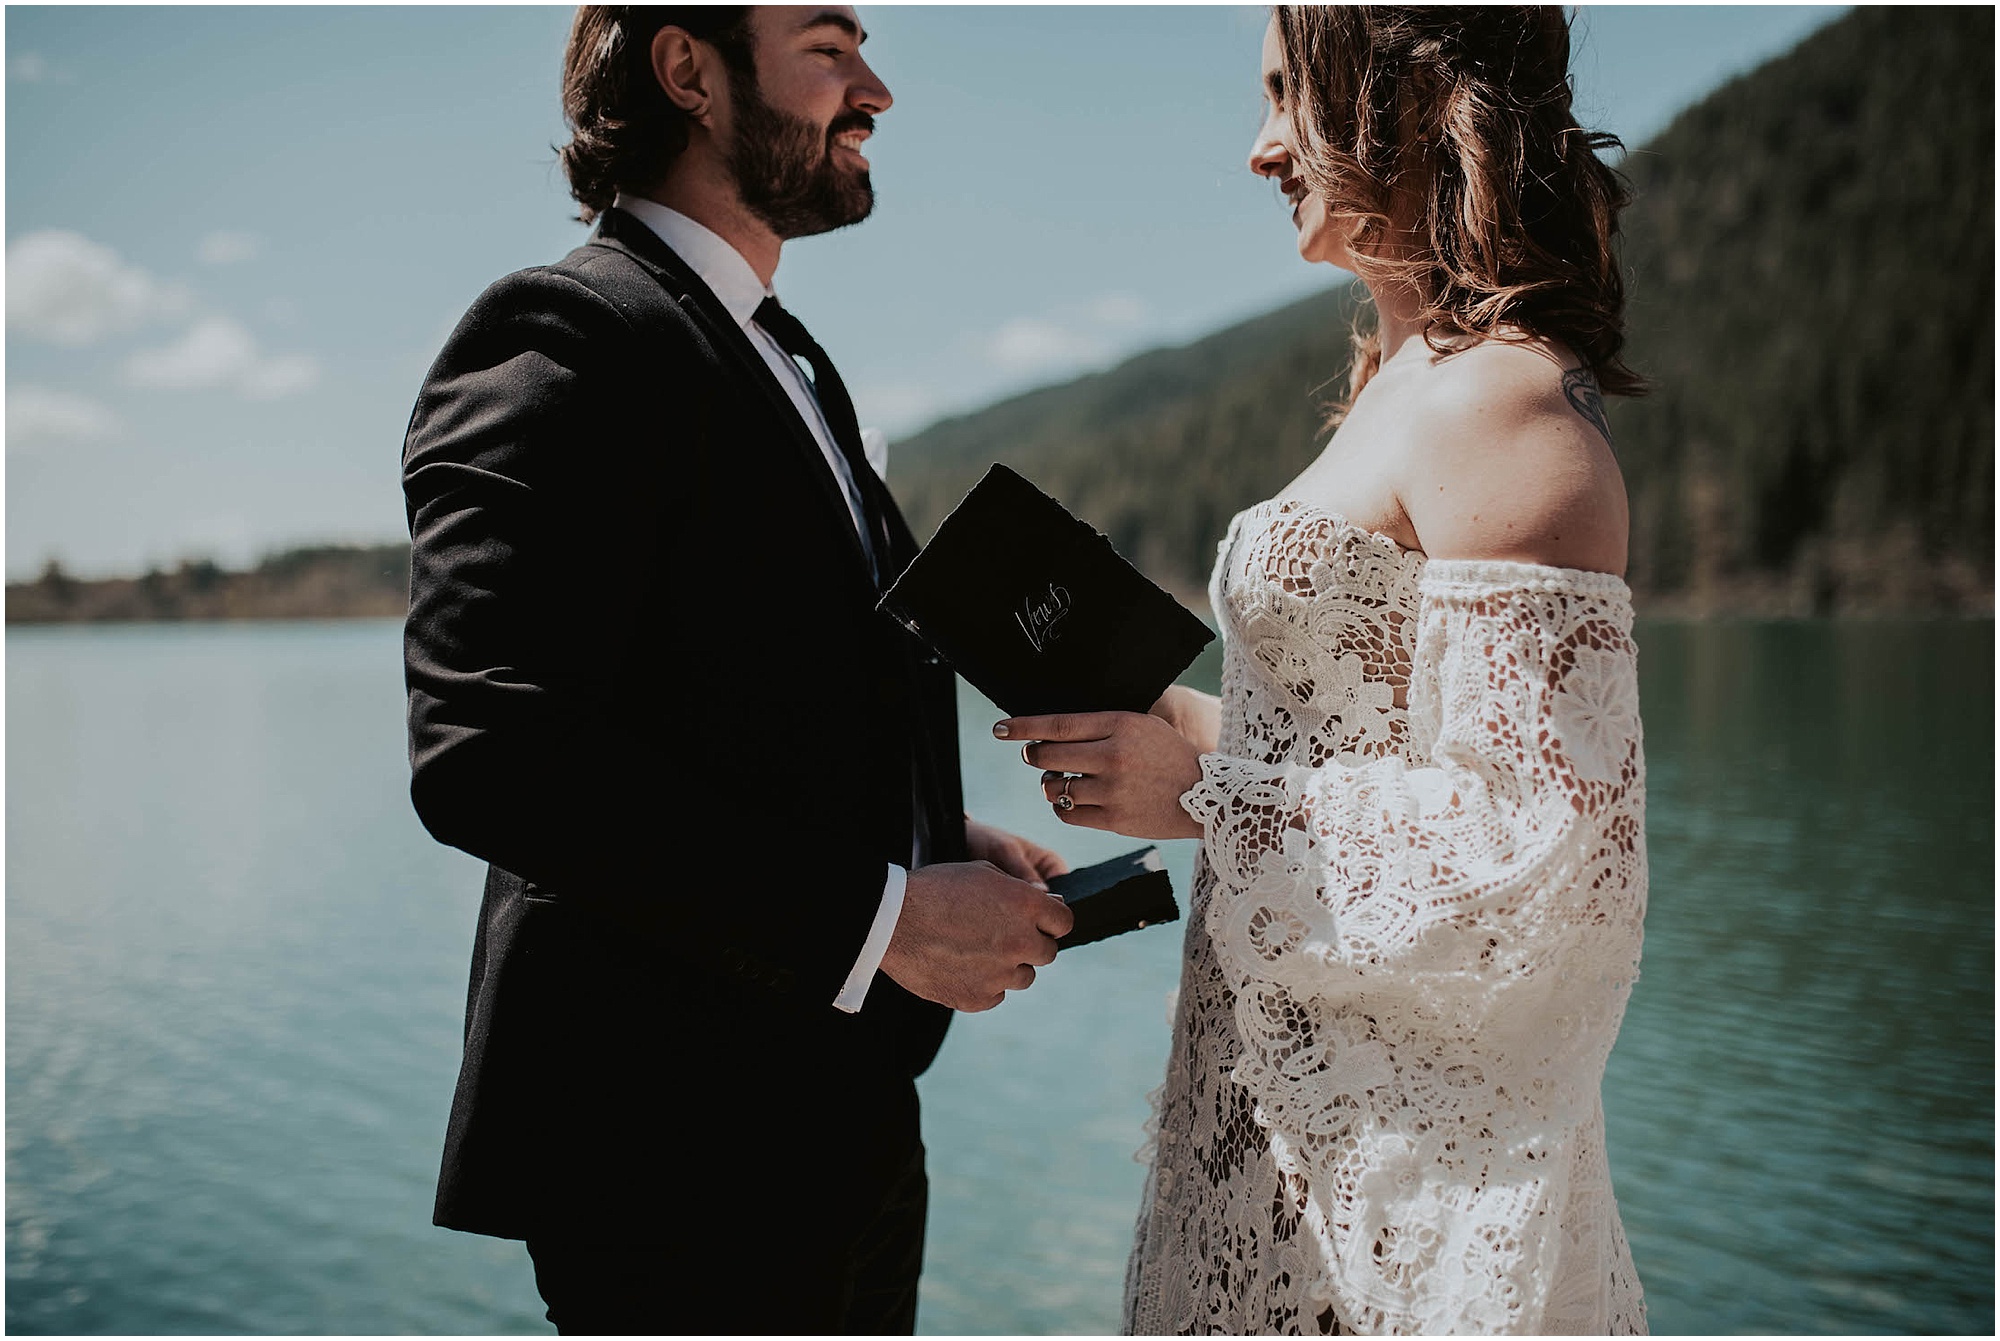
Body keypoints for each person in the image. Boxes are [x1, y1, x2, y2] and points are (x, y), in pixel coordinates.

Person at [400, 6, 1074, 1333]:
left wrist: (932, 838)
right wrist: (889, 915)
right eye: (828, 47)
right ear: (690, 71)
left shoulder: (784, 355)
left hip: (852, 1120)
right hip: (676, 1158)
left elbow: (736, 700)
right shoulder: (561, 333)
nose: (873, 88)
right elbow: (493, 753)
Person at [995, 7, 1650, 1334]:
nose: (1256, 147)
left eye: (1288, 90)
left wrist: (1211, 793)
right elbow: (1375, 740)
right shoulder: (1400, 382)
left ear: (1397, 92)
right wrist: (1179, 731)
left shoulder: (1502, 401)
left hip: (1400, 1208)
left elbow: (1557, 864)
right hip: (1273, 1142)